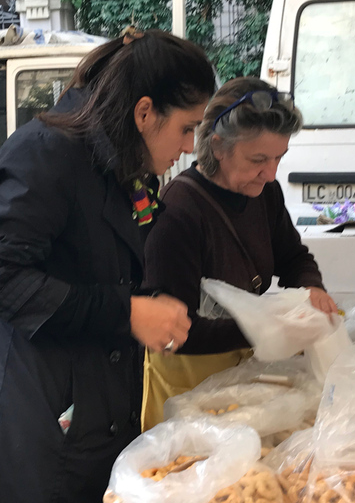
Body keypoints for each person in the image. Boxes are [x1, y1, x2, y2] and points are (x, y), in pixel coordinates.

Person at [0, 29, 215, 503]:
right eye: (187, 127)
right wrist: (127, 312)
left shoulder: (124, 163)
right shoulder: (45, 153)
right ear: (145, 112)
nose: (190, 146)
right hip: (28, 415)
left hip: (91, 408)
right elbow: (3, 277)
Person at [141, 77, 338, 430]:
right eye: (258, 159)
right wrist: (267, 329)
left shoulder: (265, 194)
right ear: (218, 147)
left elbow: (293, 256)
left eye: (279, 157)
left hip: (239, 381)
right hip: (184, 389)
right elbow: (173, 331)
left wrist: (312, 288)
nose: (271, 172)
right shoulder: (178, 212)